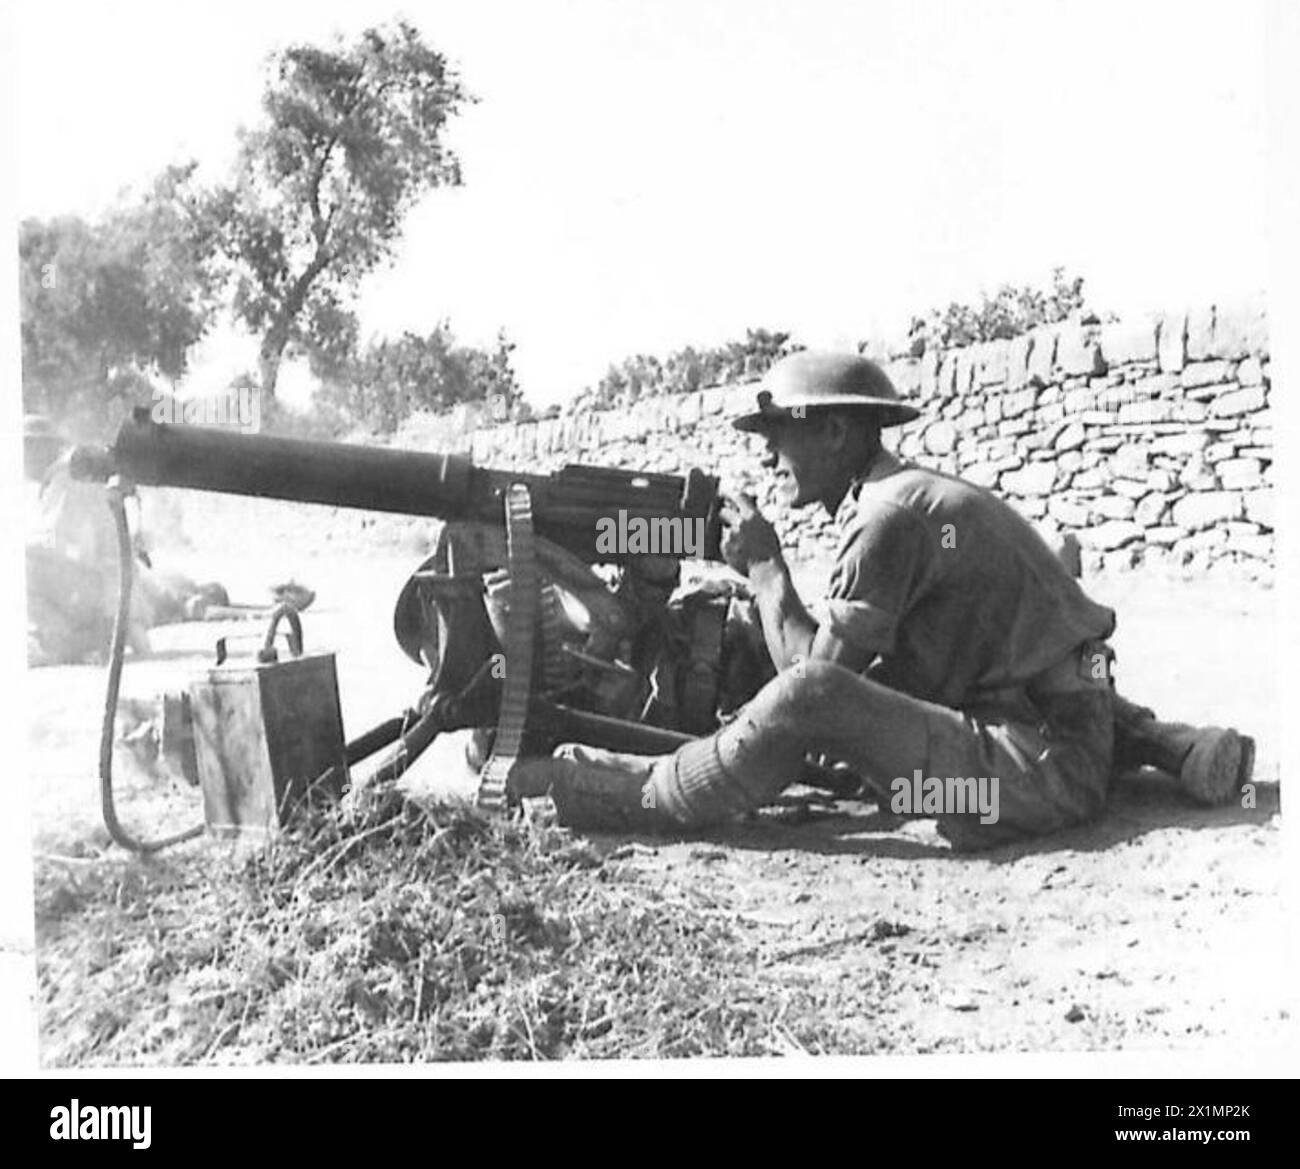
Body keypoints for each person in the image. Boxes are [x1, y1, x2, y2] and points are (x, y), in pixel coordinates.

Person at [514, 352, 1255, 849]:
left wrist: (769, 571)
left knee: (811, 698)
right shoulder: (903, 496)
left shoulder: (885, 517)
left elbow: (814, 689)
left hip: (1018, 786)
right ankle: (1168, 744)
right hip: (1049, 734)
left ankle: (646, 796)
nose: (768, 454)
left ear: (836, 432)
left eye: (780, 434)